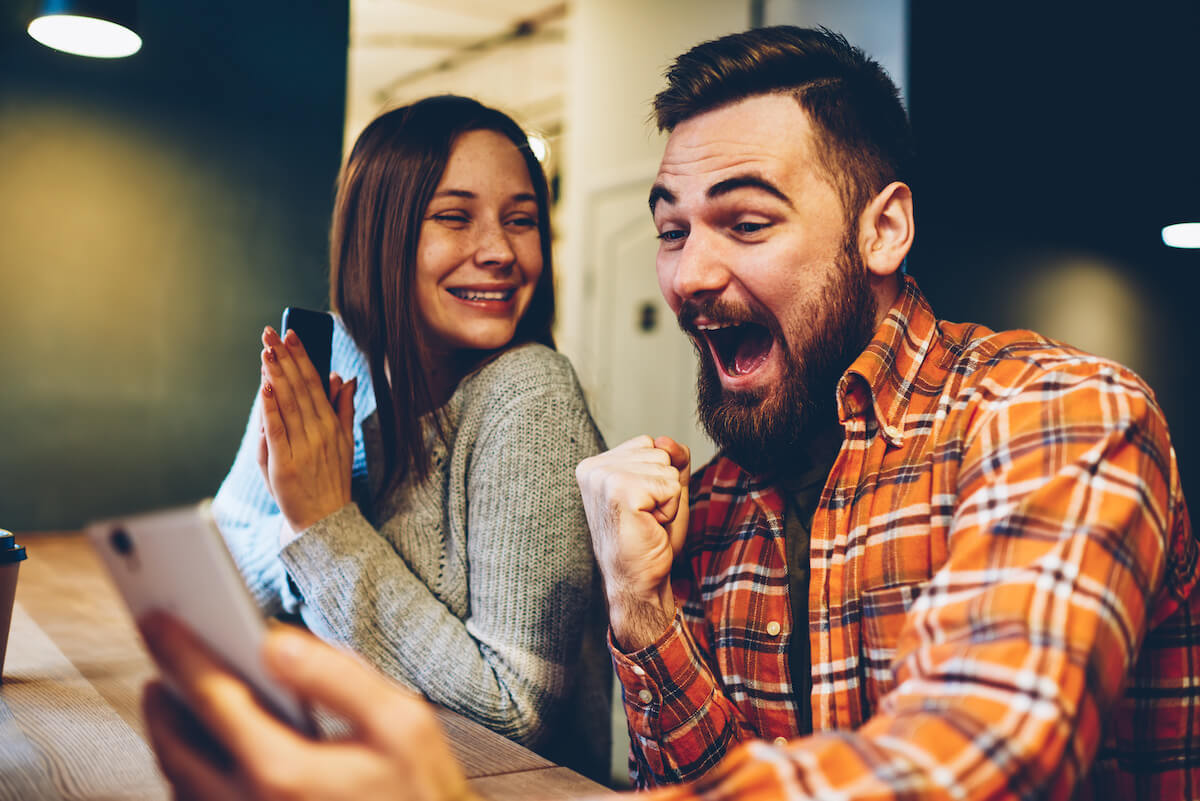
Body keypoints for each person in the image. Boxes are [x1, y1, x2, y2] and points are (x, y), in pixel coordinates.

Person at [142, 26, 1196, 801]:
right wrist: (643, 615)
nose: (688, 274)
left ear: (884, 231)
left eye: (744, 221)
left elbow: (983, 753)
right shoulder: (714, 508)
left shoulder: (1054, 414)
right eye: (671, 228)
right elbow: (703, 778)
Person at [209, 95, 610, 779]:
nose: (501, 252)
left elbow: (519, 712)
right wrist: (305, 537)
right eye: (454, 217)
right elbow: (224, 553)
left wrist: (326, 527)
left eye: (522, 221)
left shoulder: (529, 395)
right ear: (380, 233)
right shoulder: (334, 362)